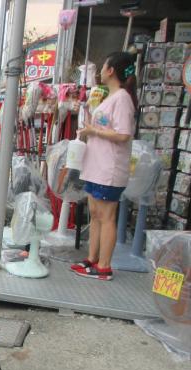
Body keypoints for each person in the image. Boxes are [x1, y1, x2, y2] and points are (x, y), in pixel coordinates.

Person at [70, 52, 137, 281]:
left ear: (111, 70)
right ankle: (92, 259)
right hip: (96, 166)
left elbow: (123, 134)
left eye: (103, 66)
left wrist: (93, 131)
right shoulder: (110, 98)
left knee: (106, 216)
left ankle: (104, 266)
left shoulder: (122, 99)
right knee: (96, 214)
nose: (100, 70)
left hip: (110, 169)